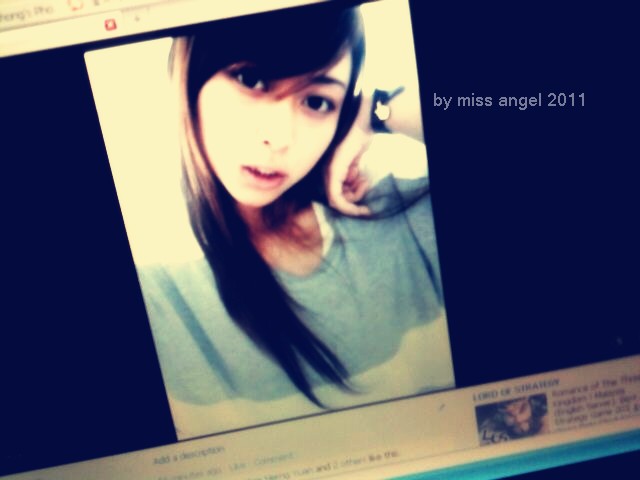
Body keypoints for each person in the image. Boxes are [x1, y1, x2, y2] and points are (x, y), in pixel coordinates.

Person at [138, 3, 454, 438]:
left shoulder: (395, 217)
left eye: (317, 101)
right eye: (251, 79)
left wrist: (381, 111)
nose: (280, 137)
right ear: (188, 74)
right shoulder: (156, 287)